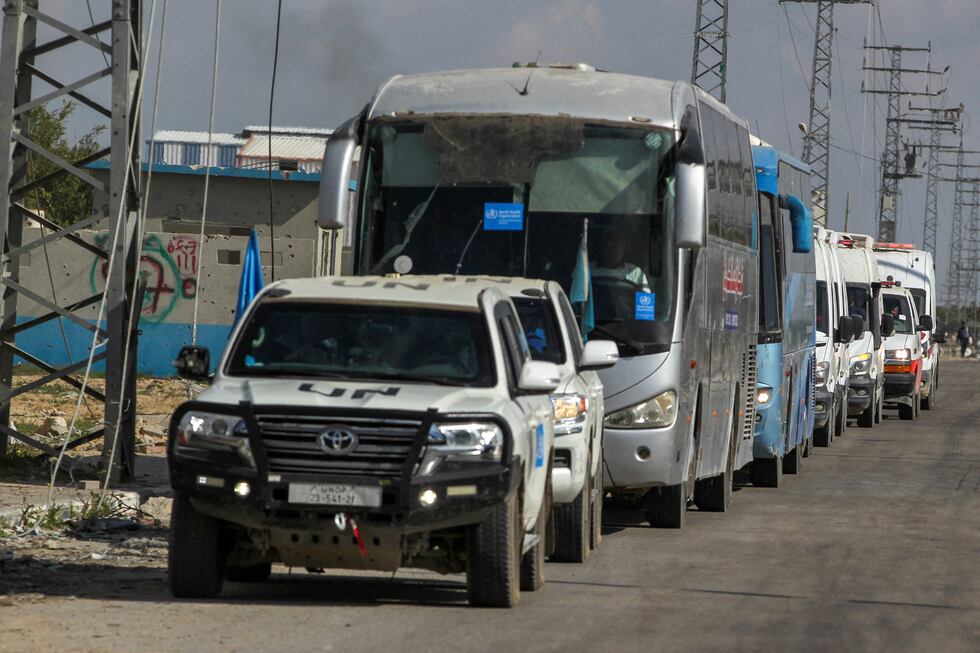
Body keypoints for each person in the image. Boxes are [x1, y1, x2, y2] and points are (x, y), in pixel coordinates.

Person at [590, 225, 650, 291]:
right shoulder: (587, 269)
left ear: (624, 249)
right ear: (602, 247)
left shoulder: (636, 273)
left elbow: (645, 299)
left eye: (619, 245)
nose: (616, 249)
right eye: (612, 244)